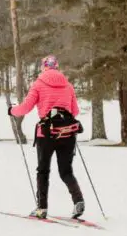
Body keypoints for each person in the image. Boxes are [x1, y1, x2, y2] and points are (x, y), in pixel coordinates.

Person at [9, 55, 85, 219]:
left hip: (46, 134)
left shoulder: (38, 84)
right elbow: (75, 111)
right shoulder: (68, 85)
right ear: (57, 67)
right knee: (66, 171)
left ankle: (42, 208)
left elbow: (25, 108)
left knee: (43, 171)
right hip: (67, 133)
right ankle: (78, 200)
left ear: (43, 67)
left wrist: (12, 110)